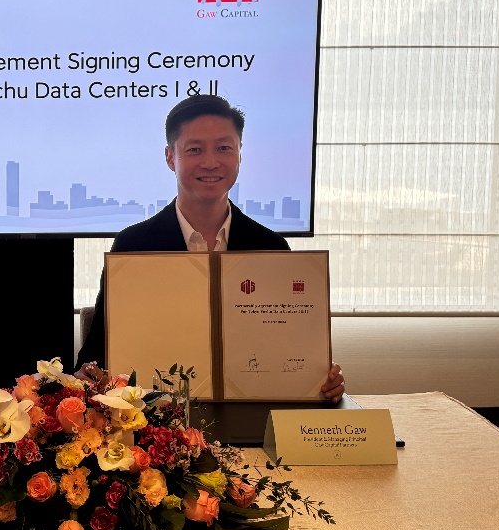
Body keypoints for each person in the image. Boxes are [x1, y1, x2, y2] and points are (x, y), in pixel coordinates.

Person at [76, 94, 345, 402]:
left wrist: (319, 379)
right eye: (194, 149)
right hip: (158, 424)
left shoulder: (271, 248)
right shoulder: (133, 246)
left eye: (224, 148)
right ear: (170, 157)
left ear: (240, 154)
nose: (210, 162)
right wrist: (86, 375)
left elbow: (289, 351)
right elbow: (94, 355)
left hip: (250, 418)